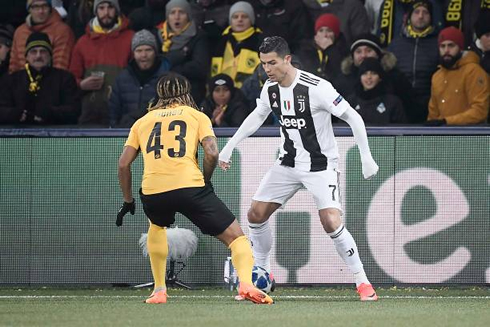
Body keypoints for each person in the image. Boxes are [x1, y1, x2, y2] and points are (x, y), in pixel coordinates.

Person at [219, 36, 379, 301]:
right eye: (263, 64)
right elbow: (257, 116)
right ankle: (264, 273)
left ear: (287, 59)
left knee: (330, 221)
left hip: (320, 166)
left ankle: (363, 283)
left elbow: (352, 116)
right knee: (255, 214)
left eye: (272, 63)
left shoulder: (317, 87)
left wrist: (366, 156)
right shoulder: (269, 88)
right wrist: (230, 145)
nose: (267, 69)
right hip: (288, 163)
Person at [116, 72, 273, 305]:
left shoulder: (142, 122)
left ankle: (159, 290)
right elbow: (211, 151)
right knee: (237, 238)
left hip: (153, 191)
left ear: (158, 95)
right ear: (187, 92)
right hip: (190, 186)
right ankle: (246, 285)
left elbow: (123, 164)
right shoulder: (196, 115)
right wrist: (206, 179)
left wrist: (128, 200)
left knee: (156, 228)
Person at [69, 0, 134, 125]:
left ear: (117, 10)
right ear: (95, 11)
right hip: (91, 114)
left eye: (110, 8)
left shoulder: (131, 38)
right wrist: (81, 85)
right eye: (101, 8)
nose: (106, 12)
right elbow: (71, 78)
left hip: (123, 113)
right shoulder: (82, 42)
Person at [0, 32, 80, 125]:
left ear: (50, 56)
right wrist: (15, 114)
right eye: (33, 51)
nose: (38, 56)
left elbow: (74, 110)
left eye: (43, 51)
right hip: (19, 136)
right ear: (26, 56)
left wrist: (47, 113)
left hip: (55, 135)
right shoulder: (11, 80)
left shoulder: (65, 78)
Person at [387, 0, 439, 123]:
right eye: (416, 12)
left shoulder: (438, 43)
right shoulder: (395, 44)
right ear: (409, 16)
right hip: (402, 103)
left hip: (430, 103)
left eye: (425, 12)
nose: (421, 16)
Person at [426, 27, 489, 126]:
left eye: (451, 46)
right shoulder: (437, 76)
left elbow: (480, 111)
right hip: (441, 135)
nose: (446, 50)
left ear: (460, 48)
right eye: (442, 46)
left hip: (470, 135)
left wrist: (446, 121)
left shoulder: (474, 72)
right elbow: (433, 115)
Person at [109, 30, 170, 127]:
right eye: (139, 51)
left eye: (148, 50)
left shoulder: (167, 80)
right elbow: (113, 113)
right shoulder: (122, 79)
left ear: (155, 52)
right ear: (133, 53)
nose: (144, 55)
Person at [155, 0, 210, 105]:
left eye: (181, 12)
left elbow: (200, 67)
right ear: (167, 16)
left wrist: (170, 68)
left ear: (188, 15)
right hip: (162, 95)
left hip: (191, 94)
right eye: (172, 13)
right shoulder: (158, 36)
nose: (177, 17)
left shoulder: (198, 36)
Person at [9, 0, 75, 73]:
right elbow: (14, 65)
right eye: (36, 7)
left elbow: (60, 67)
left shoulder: (62, 31)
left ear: (50, 8)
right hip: (22, 81)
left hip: (52, 81)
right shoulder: (20, 32)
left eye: (44, 6)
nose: (41, 11)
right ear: (29, 9)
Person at [210, 1, 263, 88]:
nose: (240, 19)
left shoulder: (260, 41)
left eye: (244, 16)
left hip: (248, 95)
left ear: (252, 20)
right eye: (235, 17)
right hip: (222, 94)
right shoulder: (221, 41)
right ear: (230, 21)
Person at [346, 57, 406, 125]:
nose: (369, 77)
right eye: (365, 73)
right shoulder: (350, 102)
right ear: (360, 77)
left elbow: (400, 132)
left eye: (373, 73)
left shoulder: (393, 102)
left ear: (380, 77)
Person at [296, 13, 349, 84]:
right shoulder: (306, 50)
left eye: (329, 30)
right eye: (321, 30)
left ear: (335, 34)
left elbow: (341, 73)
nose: (325, 35)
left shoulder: (343, 50)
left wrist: (330, 49)